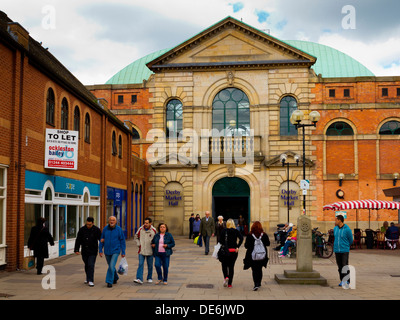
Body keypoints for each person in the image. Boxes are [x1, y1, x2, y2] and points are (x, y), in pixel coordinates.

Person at [99, 216, 126, 288]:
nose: (111, 221)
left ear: (116, 221)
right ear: (108, 221)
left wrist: (123, 251)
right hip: (107, 251)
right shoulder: (105, 229)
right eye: (110, 220)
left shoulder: (119, 229)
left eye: (113, 220)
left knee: (111, 266)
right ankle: (115, 277)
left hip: (116, 250)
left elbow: (122, 241)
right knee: (111, 266)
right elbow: (102, 239)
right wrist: (100, 250)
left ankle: (109, 281)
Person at [74, 216, 102, 287]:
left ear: (93, 223)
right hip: (84, 251)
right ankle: (88, 277)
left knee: (91, 265)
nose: (88, 226)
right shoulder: (82, 230)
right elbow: (78, 240)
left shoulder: (96, 230)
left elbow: (101, 239)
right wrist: (76, 249)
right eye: (87, 224)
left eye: (90, 224)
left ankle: (90, 280)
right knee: (86, 265)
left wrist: (101, 249)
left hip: (93, 250)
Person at [243, 221, 270, 291]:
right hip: (262, 255)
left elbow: (246, 246)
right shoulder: (264, 235)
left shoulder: (249, 235)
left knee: (254, 270)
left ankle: (256, 284)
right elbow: (268, 244)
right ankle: (259, 282)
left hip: (252, 256)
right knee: (260, 269)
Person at [218, 219, 243, 288]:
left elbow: (220, 241)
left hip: (225, 251)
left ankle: (226, 277)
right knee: (231, 267)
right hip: (233, 251)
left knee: (224, 265)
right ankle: (230, 284)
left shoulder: (224, 231)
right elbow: (241, 238)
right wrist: (237, 246)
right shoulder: (236, 231)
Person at [134, 217, 157, 284]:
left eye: (147, 223)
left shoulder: (154, 230)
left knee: (150, 265)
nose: (145, 224)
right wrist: (139, 244)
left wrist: (154, 245)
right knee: (140, 264)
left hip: (150, 250)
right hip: (141, 250)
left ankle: (149, 277)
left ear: (150, 223)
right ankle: (139, 278)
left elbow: (156, 239)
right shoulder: (140, 229)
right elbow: (136, 237)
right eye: (144, 223)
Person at [333, 214, 353, 287]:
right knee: (340, 266)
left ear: (339, 220)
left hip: (344, 250)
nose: (335, 221)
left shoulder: (347, 229)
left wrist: (346, 245)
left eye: (336, 220)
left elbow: (351, 240)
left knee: (345, 265)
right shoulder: (335, 229)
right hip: (337, 250)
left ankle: (347, 280)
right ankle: (342, 280)